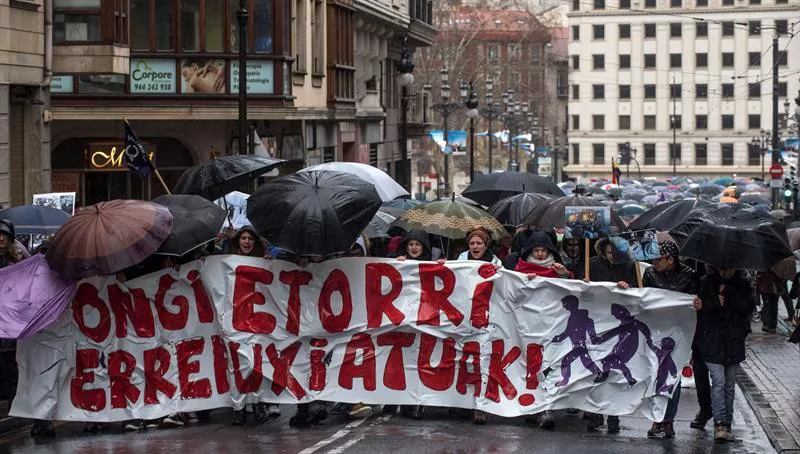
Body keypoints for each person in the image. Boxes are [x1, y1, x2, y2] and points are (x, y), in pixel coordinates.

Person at [504, 230, 571, 430]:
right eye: (537, 250)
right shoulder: (519, 269)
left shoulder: (558, 270)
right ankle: (534, 407)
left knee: (547, 367)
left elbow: (572, 291)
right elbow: (509, 291)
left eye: (544, 250)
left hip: (551, 326)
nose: (540, 254)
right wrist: (521, 281)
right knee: (528, 368)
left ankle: (545, 409)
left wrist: (565, 275)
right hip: (525, 327)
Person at [643, 241, 702, 439]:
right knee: (654, 375)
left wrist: (697, 303)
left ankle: (668, 420)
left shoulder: (689, 275)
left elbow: (695, 302)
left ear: (670, 259)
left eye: (658, 259)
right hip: (656, 332)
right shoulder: (650, 274)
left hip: (679, 334)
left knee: (672, 377)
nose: (653, 262)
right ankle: (657, 418)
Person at [584, 238, 638, 434]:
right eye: (608, 253)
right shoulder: (592, 265)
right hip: (598, 323)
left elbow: (640, 291)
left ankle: (614, 416)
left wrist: (629, 286)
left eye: (615, 253)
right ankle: (595, 414)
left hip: (620, 326)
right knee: (596, 369)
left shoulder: (630, 266)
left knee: (614, 371)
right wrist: (585, 284)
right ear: (602, 251)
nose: (612, 257)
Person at [227, 226, 278, 425]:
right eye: (243, 238)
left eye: (250, 239)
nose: (246, 242)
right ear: (238, 241)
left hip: (256, 323)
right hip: (234, 323)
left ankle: (258, 404)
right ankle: (238, 408)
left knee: (256, 365)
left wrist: (269, 265)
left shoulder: (262, 262)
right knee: (237, 368)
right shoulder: (227, 263)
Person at [696, 268, 753, 443]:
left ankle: (727, 424)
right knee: (719, 381)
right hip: (713, 340)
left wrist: (728, 292)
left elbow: (747, 308)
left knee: (729, 385)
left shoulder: (742, 283)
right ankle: (719, 424)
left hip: (734, 341)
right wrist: (714, 301)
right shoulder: (706, 282)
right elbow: (700, 308)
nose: (725, 270)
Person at [456, 227, 501, 425]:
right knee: (462, 359)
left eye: (479, 243)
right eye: (472, 243)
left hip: (486, 319)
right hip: (464, 317)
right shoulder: (460, 259)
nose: (475, 246)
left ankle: (480, 407)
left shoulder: (495, 262)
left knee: (483, 361)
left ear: (485, 245)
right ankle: (462, 402)